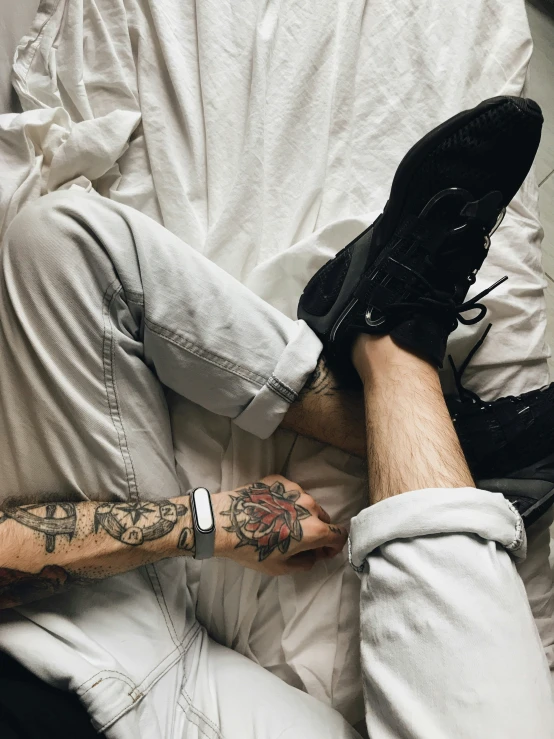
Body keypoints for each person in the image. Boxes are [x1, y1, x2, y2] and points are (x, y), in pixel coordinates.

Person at [0, 95, 553, 737]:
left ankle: (429, 436)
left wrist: (209, 520)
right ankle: (395, 357)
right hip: (189, 716)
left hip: (46, 628)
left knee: (62, 242)